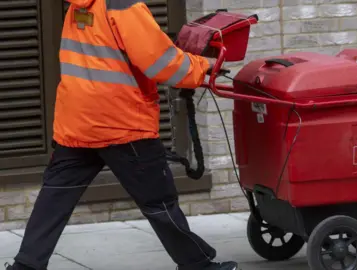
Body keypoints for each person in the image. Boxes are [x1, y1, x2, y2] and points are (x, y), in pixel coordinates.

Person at [5, 0, 238, 270]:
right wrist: (202, 67)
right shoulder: (123, 5)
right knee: (159, 202)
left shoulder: (79, 6)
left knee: (54, 199)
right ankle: (197, 265)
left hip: (78, 122)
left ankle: (26, 266)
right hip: (123, 124)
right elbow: (160, 62)